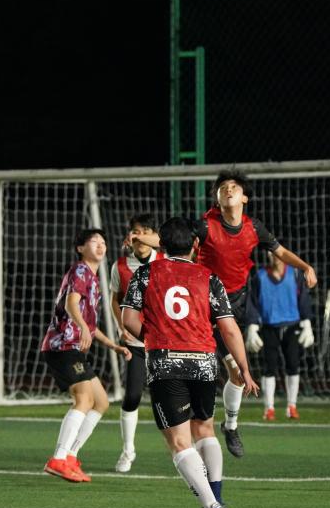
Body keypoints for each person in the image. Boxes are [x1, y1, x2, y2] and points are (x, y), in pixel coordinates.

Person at [127, 170, 317, 457]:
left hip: (236, 305)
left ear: (245, 198)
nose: (228, 190)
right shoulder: (205, 226)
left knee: (238, 375)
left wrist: (305, 267)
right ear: (216, 197)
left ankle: (230, 425)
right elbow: (172, 239)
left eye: (234, 187)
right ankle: (200, 420)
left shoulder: (254, 228)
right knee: (231, 370)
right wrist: (142, 238)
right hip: (205, 305)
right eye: (223, 187)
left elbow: (280, 251)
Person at [121, 216, 258, 508]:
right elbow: (229, 328)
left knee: (180, 442)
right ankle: (216, 498)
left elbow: (128, 319)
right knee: (205, 430)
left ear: (162, 245)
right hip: (204, 362)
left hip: (166, 362)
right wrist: (245, 370)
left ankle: (211, 507)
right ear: (196, 244)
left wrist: (152, 338)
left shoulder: (146, 273)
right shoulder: (209, 277)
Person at [40, 228, 132, 483]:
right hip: (62, 346)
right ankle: (58, 458)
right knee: (84, 398)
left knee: (101, 402)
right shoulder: (80, 270)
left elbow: (90, 325)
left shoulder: (91, 277)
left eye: (103, 242)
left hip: (73, 348)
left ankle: (70, 457)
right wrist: (80, 326)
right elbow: (71, 304)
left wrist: (113, 346)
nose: (100, 245)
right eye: (94, 242)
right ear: (80, 248)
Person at [109, 214, 162, 473]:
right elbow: (115, 299)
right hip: (137, 343)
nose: (139, 236)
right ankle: (128, 450)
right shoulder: (120, 266)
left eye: (145, 231)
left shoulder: (165, 260)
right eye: (135, 231)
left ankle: (186, 449)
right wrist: (122, 327)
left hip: (165, 343)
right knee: (132, 397)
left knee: (172, 398)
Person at [246, 251, 316, 421]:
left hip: (292, 326)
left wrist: (307, 323)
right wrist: (252, 327)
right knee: (269, 367)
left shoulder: (295, 274)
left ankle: (292, 406)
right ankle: (269, 408)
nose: (274, 256)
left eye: (276, 253)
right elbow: (252, 302)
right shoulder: (259, 276)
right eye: (270, 253)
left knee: (293, 365)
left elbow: (303, 299)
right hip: (269, 327)